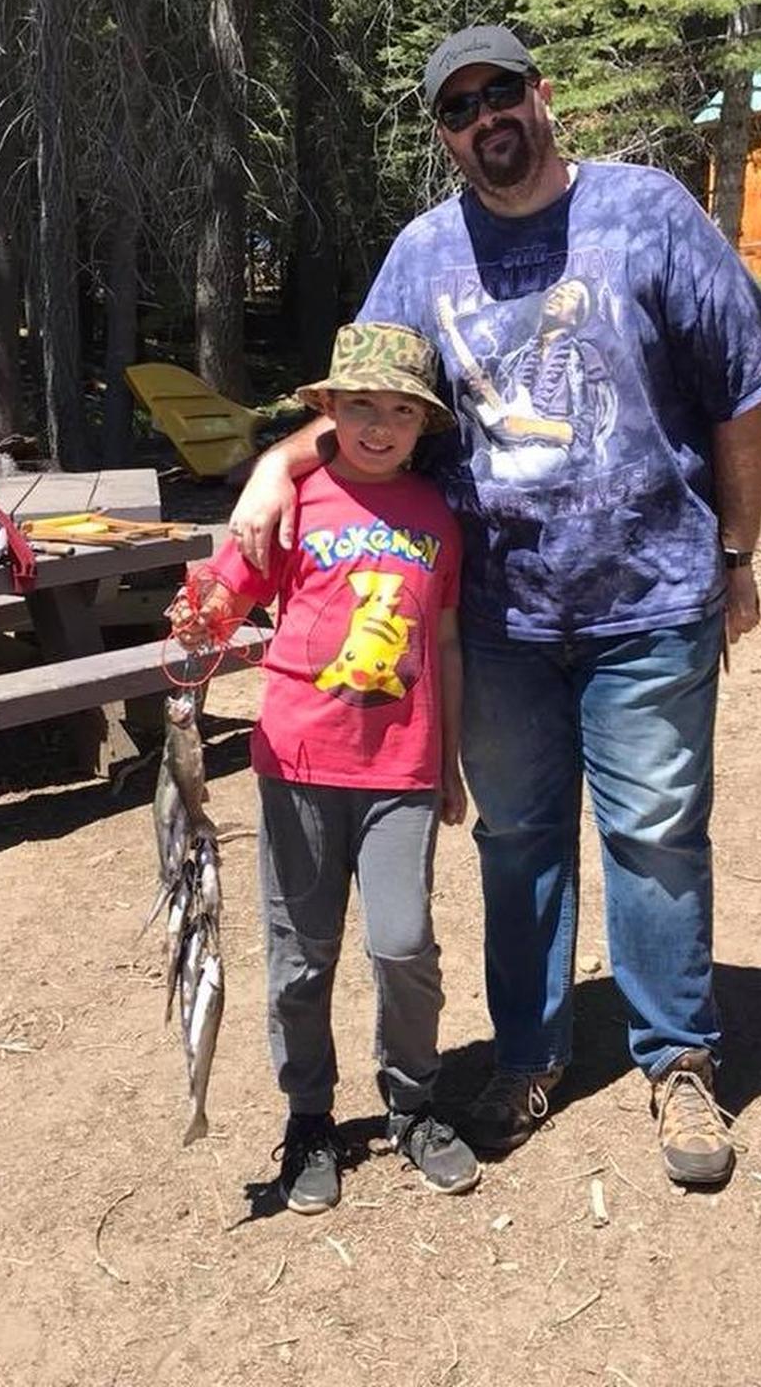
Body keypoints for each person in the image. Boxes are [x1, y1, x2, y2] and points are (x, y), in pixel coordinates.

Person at [226, 25, 761, 1186]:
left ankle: (679, 1058)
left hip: (651, 600)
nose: (485, 118)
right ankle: (531, 1055)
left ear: (541, 97)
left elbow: (745, 384)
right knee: (518, 839)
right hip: (496, 618)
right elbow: (367, 398)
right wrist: (276, 466)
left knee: (655, 834)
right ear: (445, 133)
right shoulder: (424, 254)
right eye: (459, 107)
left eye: (501, 93)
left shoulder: (646, 213)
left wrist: (738, 551)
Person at [169, 321, 481, 1213]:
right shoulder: (294, 502)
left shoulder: (436, 518)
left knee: (403, 944)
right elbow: (221, 600)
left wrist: (450, 761)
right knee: (301, 956)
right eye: (360, 407)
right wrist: (199, 622)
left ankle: (413, 1103)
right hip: (299, 764)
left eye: (400, 412)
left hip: (402, 771)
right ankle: (309, 1116)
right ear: (329, 411)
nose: (379, 427)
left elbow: (444, 644)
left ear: (423, 426)